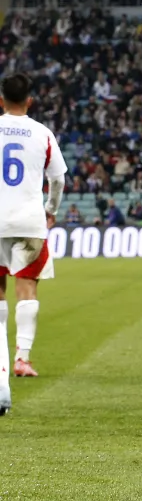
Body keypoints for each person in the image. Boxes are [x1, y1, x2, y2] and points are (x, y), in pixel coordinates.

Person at [0, 73, 67, 404]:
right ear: (29, 101)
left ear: (1, 100)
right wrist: (50, 210)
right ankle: (21, 359)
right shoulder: (42, 133)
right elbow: (58, 179)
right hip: (29, 221)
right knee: (27, 287)